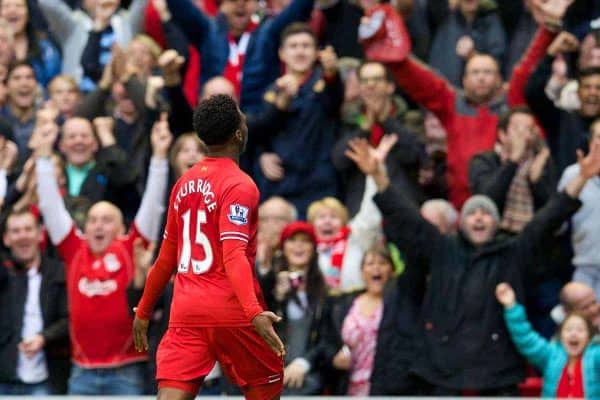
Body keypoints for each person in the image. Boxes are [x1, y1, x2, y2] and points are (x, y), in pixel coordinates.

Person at [344, 135, 600, 395]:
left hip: (497, 369)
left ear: (497, 223)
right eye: (473, 213)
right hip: (442, 367)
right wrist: (378, 175)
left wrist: (582, 178)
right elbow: (406, 216)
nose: (479, 218)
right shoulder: (442, 248)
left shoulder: (512, 252)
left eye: (486, 213)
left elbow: (547, 219)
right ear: (462, 222)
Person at [133, 95, 285, 400]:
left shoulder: (183, 183)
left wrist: (144, 310)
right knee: (265, 388)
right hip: (232, 309)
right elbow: (233, 254)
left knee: (171, 395)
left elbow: (166, 259)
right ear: (239, 133)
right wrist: (254, 312)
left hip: (186, 310)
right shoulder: (240, 185)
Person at [34, 111, 171, 395]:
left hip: (127, 371)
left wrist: (159, 157)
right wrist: (43, 157)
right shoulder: (75, 250)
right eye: (93, 220)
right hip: (81, 372)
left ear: (122, 228)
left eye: (107, 220)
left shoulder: (131, 247)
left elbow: (154, 205)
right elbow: (50, 206)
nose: (98, 225)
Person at [0, 209, 70, 395]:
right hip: (4, 378)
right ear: (6, 238)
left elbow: (70, 318)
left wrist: (44, 337)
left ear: (40, 233)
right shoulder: (4, 273)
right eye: (16, 231)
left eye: (28, 229)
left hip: (48, 378)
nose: (23, 236)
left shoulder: (59, 272)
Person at [496, 282, 600, 398]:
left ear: (589, 335)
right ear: (560, 334)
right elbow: (526, 339)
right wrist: (511, 307)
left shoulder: (596, 354)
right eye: (569, 330)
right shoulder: (551, 354)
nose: (573, 334)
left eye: (580, 330)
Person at [558, 120, 600, 295]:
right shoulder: (573, 174)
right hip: (585, 269)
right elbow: (556, 225)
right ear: (590, 142)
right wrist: (582, 178)